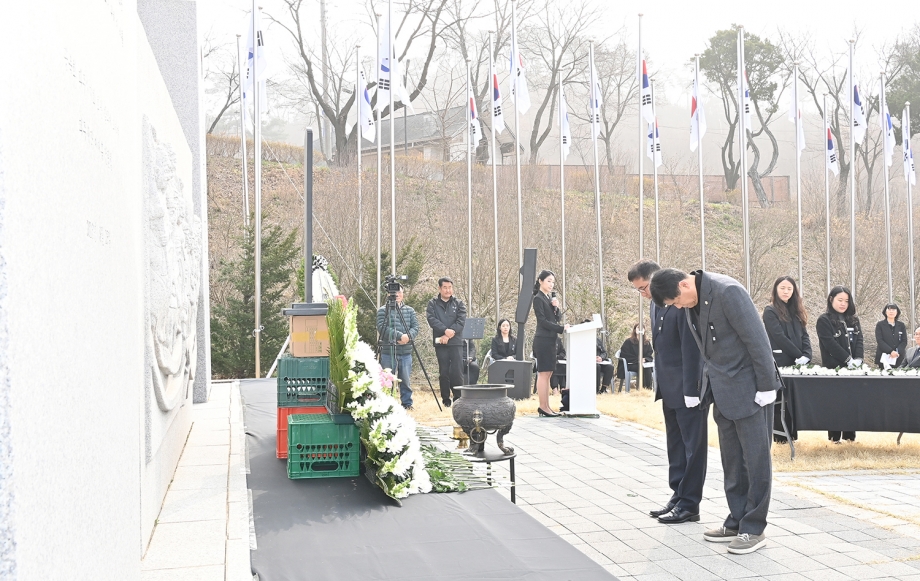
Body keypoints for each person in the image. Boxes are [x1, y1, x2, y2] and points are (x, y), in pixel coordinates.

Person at [650, 268, 779, 555]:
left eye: (676, 301)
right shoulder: (691, 302)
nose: (678, 307)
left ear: (684, 285)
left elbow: (757, 340)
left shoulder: (727, 292)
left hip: (751, 390)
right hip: (722, 391)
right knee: (732, 462)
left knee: (755, 462)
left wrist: (767, 385)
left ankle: (753, 528)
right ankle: (736, 520)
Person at [628, 260, 707, 527]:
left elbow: (691, 347)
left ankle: (690, 503)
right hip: (668, 384)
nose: (643, 294)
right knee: (675, 444)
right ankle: (678, 495)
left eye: (644, 287)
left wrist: (692, 388)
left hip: (687, 386)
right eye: (638, 290)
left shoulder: (680, 300)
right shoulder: (655, 303)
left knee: (693, 447)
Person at [762, 276, 811, 443]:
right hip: (780, 361)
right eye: (782, 288)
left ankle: (792, 435)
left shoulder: (797, 311)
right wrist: (799, 355)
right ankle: (781, 437)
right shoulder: (770, 311)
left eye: (789, 289)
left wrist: (807, 355)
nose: (786, 291)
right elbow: (779, 337)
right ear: (776, 289)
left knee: (793, 400)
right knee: (779, 401)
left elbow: (805, 335)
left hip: (797, 363)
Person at [816, 286, 863, 443]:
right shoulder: (824, 320)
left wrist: (858, 359)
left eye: (846, 301)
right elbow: (830, 344)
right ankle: (834, 437)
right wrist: (847, 360)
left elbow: (859, 340)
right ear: (831, 299)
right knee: (835, 403)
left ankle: (850, 437)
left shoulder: (853, 319)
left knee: (852, 403)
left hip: (853, 370)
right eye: (840, 300)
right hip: (834, 368)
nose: (843, 304)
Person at [376, 285, 419, 409]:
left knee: (405, 380)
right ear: (389, 294)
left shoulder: (410, 310)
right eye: (394, 292)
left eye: (400, 292)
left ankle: (407, 403)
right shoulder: (383, 310)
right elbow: (382, 328)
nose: (397, 295)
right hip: (388, 352)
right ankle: (386, 404)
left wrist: (407, 337)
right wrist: (399, 336)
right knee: (387, 380)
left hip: (405, 351)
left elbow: (416, 327)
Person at [532, 270, 568, 417]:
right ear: (540, 281)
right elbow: (542, 321)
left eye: (553, 282)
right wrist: (561, 329)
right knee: (543, 373)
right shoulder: (538, 298)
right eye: (548, 281)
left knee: (548, 373)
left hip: (551, 340)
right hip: (543, 340)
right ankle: (543, 406)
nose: (551, 284)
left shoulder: (548, 298)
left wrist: (556, 307)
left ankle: (547, 406)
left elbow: (556, 318)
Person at [426, 277, 467, 407]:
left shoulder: (459, 303)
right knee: (444, 371)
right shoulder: (432, 304)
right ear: (439, 288)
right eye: (445, 287)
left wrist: (449, 334)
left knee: (457, 372)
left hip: (455, 342)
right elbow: (432, 320)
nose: (448, 290)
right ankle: (446, 399)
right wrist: (444, 331)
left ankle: (458, 398)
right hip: (441, 342)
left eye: (450, 287)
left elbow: (461, 321)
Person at [616, 324, 653, 389]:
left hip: (643, 363)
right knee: (642, 367)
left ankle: (647, 388)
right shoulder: (628, 341)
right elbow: (625, 354)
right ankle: (644, 388)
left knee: (647, 367)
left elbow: (649, 354)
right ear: (635, 330)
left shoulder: (646, 342)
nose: (640, 329)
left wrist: (645, 359)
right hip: (631, 364)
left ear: (644, 330)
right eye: (638, 328)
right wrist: (638, 360)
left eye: (642, 328)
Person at [874, 303, 907, 369]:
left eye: (893, 310)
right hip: (884, 357)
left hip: (898, 357)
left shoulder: (901, 325)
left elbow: (904, 341)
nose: (891, 311)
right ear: (885, 312)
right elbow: (880, 340)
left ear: (897, 312)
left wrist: (897, 351)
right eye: (889, 309)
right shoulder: (880, 325)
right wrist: (890, 351)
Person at [592, 324, 614, 394]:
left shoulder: (598, 340)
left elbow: (604, 352)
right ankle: (596, 389)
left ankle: (603, 389)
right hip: (589, 363)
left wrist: (601, 357)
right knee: (597, 367)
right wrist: (592, 358)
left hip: (599, 361)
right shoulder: (581, 340)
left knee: (610, 367)